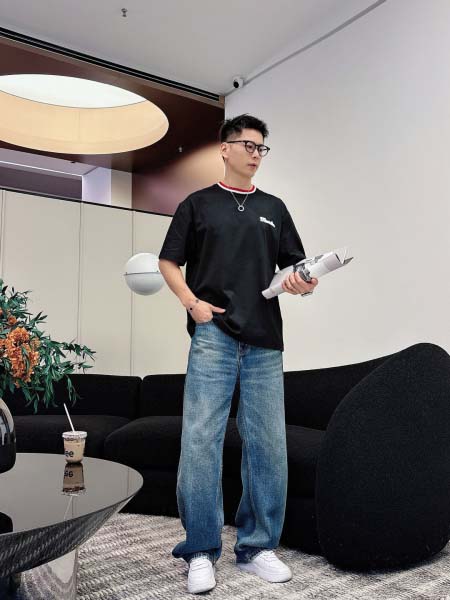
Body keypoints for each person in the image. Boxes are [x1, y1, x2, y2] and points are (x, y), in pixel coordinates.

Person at [158, 114, 318, 594]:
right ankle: (200, 551)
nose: (255, 153)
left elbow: (296, 270)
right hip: (213, 337)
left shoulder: (275, 208)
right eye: (248, 145)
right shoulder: (197, 204)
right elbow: (168, 261)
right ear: (224, 148)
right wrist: (192, 303)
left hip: (265, 341)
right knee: (200, 442)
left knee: (268, 444)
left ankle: (257, 547)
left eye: (261, 147)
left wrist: (303, 282)